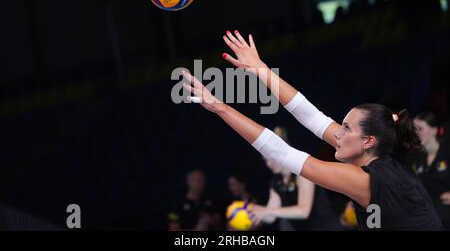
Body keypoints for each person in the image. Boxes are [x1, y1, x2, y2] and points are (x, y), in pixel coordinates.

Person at [181, 30, 442, 230]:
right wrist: (261, 70)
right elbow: (313, 117)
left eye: (346, 128)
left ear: (367, 141)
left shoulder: (365, 180)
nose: (337, 132)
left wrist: (219, 107)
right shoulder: (378, 154)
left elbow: (280, 152)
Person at [251, 126, 341, 230]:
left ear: (281, 153)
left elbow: (303, 211)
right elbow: (271, 217)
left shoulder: (302, 172)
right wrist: (252, 212)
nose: (268, 164)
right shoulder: (276, 182)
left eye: (270, 158)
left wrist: (268, 211)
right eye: (265, 160)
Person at [413, 112, 450, 229]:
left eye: (420, 129)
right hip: (427, 220)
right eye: (414, 129)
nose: (416, 133)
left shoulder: (446, 151)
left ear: (434, 130)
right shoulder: (416, 156)